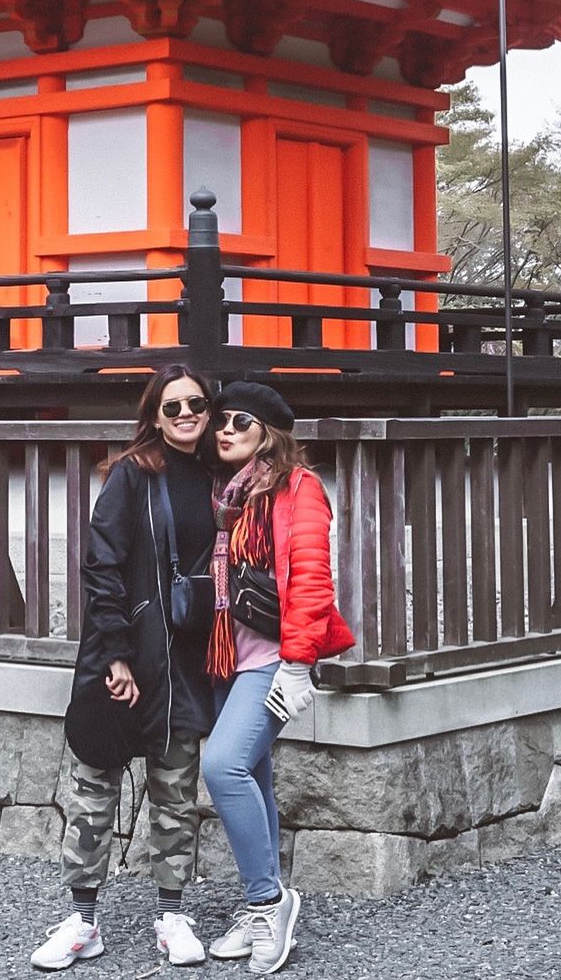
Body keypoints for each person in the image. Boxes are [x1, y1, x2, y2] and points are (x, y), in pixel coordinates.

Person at [32, 365, 218, 971]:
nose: (187, 415)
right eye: (173, 407)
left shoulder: (222, 480)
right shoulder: (132, 475)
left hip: (185, 660)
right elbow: (101, 564)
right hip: (125, 653)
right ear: (154, 415)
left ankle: (171, 912)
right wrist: (113, 652)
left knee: (176, 789)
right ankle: (83, 919)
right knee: (94, 787)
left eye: (197, 404)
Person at [201, 382, 354, 976]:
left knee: (223, 766)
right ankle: (260, 896)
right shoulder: (222, 494)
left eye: (240, 421)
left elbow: (313, 578)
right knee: (254, 776)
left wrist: (297, 662)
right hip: (224, 657)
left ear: (268, 431)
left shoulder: (299, 489)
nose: (225, 430)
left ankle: (269, 902)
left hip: (272, 659)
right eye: (221, 421)